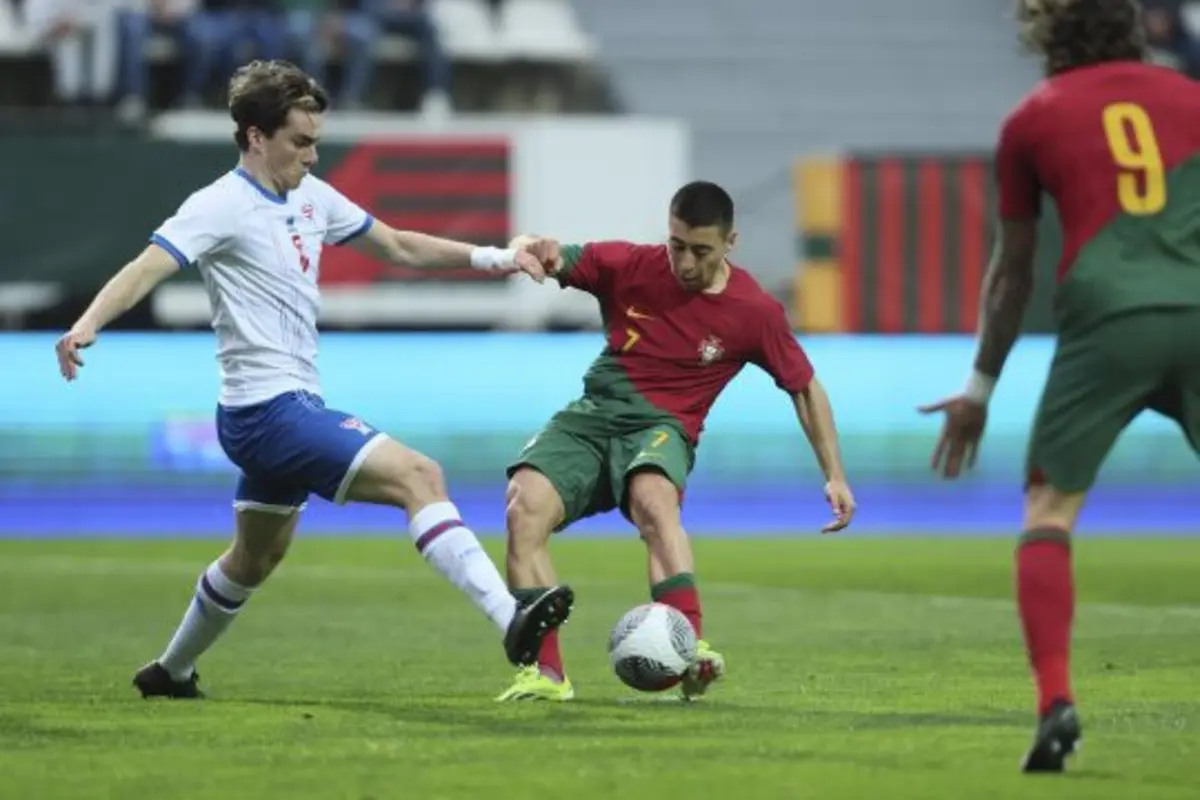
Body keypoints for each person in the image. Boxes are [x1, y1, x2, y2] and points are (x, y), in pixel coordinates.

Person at [53, 59, 573, 699]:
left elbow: (400, 245)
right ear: (254, 137)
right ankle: (510, 621)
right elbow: (146, 266)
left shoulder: (311, 198)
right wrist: (87, 324)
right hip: (268, 411)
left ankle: (171, 671)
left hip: (278, 411)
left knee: (254, 560)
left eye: (316, 141)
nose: (313, 155)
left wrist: (498, 257)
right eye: (300, 141)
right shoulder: (219, 205)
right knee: (421, 476)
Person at [919, 0, 1200, 774]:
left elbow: (1013, 274)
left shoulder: (1034, 119)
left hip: (1106, 321)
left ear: (1048, 33)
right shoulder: (1193, 100)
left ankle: (1056, 703)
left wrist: (979, 388)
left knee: (1050, 510)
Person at [494, 181, 857, 703]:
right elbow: (538, 251)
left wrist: (835, 473)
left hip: (662, 428)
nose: (685, 262)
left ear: (731, 241)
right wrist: (531, 243)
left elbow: (804, 387)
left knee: (653, 497)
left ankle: (691, 648)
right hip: (592, 417)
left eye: (701, 251)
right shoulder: (628, 265)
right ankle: (545, 674)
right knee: (522, 506)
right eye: (677, 245)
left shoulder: (754, 312)